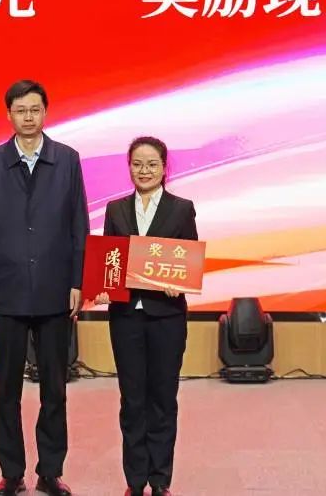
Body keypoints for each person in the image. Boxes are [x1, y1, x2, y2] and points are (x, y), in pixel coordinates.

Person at [0, 80, 89, 496]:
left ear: (45, 113)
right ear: (9, 115)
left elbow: (79, 225)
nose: (28, 117)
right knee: (7, 390)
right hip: (6, 291)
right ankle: (12, 472)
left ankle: (50, 471)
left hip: (56, 291)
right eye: (20, 110)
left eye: (35, 109)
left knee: (54, 389)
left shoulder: (67, 160)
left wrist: (78, 281)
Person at [95, 137, 197, 496]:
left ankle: (160, 480)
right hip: (126, 317)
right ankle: (135, 481)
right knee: (132, 399)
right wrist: (103, 287)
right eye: (137, 164)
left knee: (163, 398)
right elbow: (109, 261)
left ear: (164, 168)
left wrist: (177, 283)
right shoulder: (115, 209)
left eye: (152, 164)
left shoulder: (181, 209)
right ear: (129, 167)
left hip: (167, 317)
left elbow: (187, 261)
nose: (144, 171)